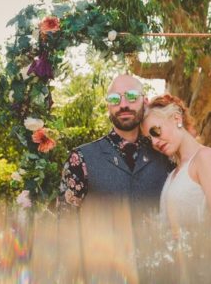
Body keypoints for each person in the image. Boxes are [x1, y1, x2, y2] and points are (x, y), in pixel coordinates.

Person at [59, 74, 173, 208]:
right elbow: (65, 221)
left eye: (132, 96)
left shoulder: (165, 154)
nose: (123, 105)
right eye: (114, 99)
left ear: (145, 102)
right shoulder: (80, 158)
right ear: (108, 106)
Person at [141, 94, 211, 230]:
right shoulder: (175, 172)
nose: (154, 142)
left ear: (176, 118)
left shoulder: (205, 158)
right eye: (149, 139)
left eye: (155, 131)